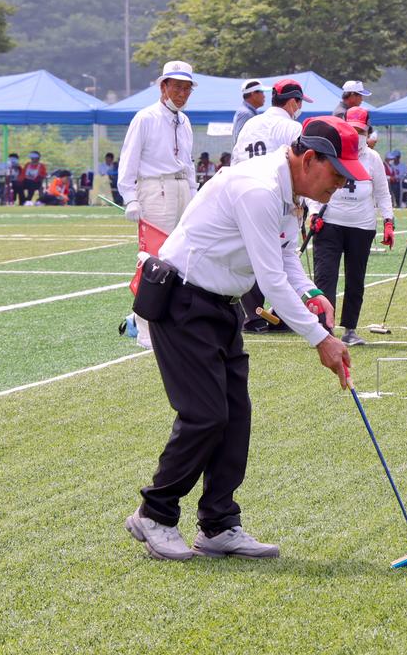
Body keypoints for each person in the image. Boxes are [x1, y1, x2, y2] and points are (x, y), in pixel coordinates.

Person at [124, 116, 361, 561]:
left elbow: (286, 255)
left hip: (220, 306)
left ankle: (218, 524)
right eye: (338, 174)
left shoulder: (291, 192)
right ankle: (154, 513)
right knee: (205, 416)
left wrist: (311, 293)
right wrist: (321, 340)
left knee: (235, 416)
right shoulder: (259, 189)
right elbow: (270, 281)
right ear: (309, 160)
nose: (342, 185)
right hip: (183, 302)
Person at [118, 60, 197, 347]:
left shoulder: (185, 121)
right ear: (163, 86)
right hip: (155, 187)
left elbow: (188, 164)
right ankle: (145, 328)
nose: (182, 93)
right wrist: (130, 197)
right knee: (154, 258)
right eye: (177, 86)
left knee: (182, 256)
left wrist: (195, 196)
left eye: (187, 88)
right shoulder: (146, 117)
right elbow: (129, 159)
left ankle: (172, 320)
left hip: (180, 187)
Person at [308, 107, 394, 346]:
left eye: (361, 131)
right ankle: (324, 328)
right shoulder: (330, 150)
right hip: (330, 221)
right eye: (352, 129)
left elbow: (382, 193)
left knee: (355, 280)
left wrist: (388, 221)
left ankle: (350, 329)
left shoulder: (373, 158)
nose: (357, 135)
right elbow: (313, 182)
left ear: (368, 131)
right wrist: (314, 212)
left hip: (362, 225)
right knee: (325, 277)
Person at [233, 79, 312, 332]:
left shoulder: (250, 125)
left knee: (250, 255)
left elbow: (235, 159)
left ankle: (252, 316)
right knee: (282, 255)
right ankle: (283, 314)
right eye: (299, 102)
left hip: (244, 195)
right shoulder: (291, 127)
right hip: (277, 200)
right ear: (292, 102)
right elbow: (304, 165)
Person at [232, 79, 270, 146]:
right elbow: (240, 141)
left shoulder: (248, 112)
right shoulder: (246, 113)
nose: (264, 96)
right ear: (254, 94)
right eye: (262, 92)